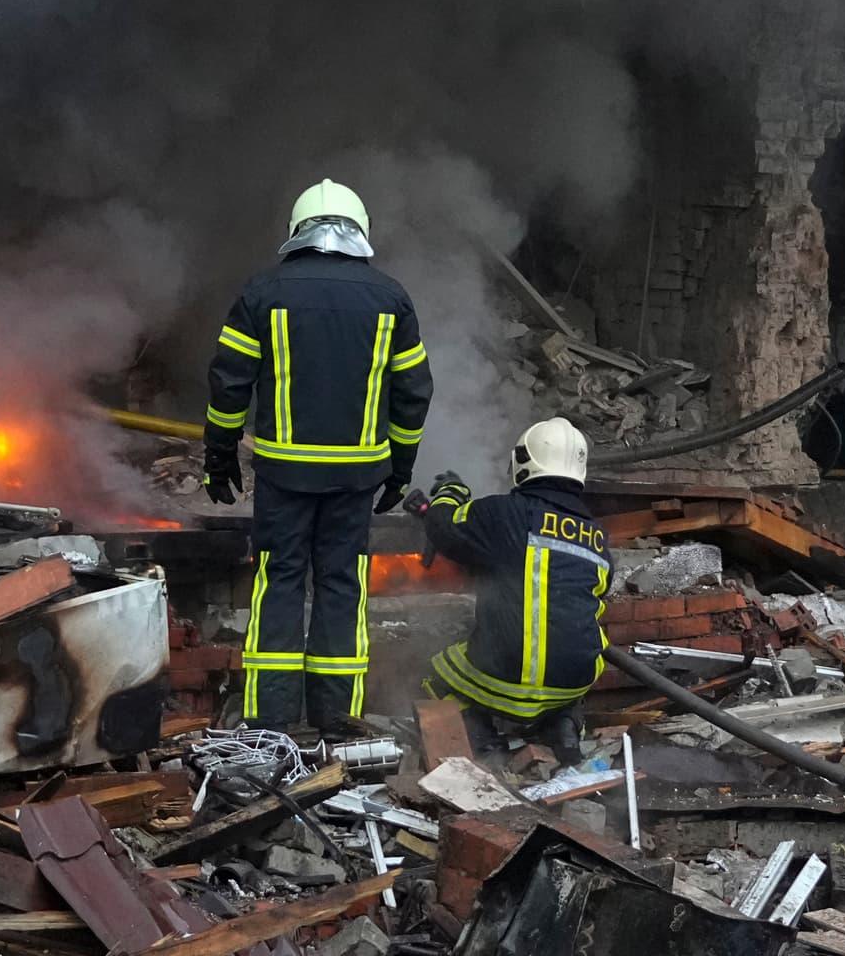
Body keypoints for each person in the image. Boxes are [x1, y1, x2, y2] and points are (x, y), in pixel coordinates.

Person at [203, 178, 435, 732]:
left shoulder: (262, 293)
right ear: (360, 231)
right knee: (341, 584)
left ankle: (271, 718)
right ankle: (337, 716)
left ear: (297, 230)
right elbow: (413, 393)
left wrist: (220, 456)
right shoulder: (390, 298)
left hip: (283, 475)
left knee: (278, 581)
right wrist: (400, 470)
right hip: (356, 478)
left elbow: (230, 384)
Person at [419, 417, 608, 760]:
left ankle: (483, 739)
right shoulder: (597, 537)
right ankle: (563, 726)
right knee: (560, 672)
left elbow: (444, 526)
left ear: (523, 462)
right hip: (574, 681)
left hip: (508, 675)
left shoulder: (504, 513)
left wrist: (451, 492)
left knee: (433, 676)